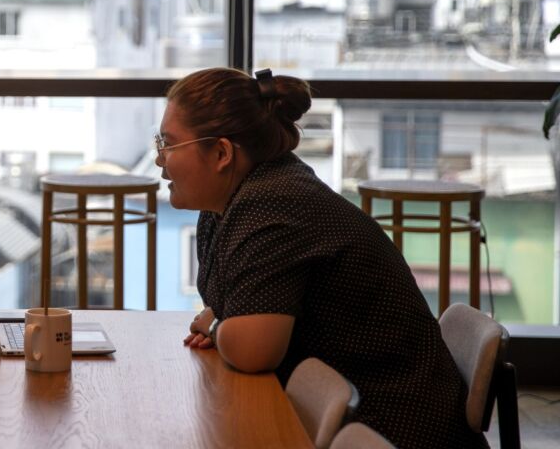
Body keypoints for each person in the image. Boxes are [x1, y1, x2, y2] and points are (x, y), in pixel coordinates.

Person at [161, 67, 486, 449]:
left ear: (220, 152)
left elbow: (253, 349)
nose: (159, 159)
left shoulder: (271, 205)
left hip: (393, 424)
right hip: (360, 408)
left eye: (168, 143)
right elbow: (231, 313)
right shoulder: (237, 201)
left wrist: (219, 329)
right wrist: (225, 325)